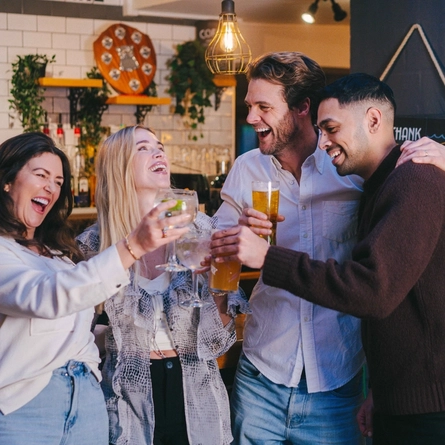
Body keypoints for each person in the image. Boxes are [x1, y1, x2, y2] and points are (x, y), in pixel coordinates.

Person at [211, 73, 445, 445]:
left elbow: (372, 290)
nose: (324, 143)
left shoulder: (414, 177)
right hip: (270, 376)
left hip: (404, 404)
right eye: (321, 130)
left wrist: (268, 257)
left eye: (332, 128)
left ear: (373, 120)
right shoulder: (378, 184)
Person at [214, 51, 367, 444]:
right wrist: (234, 240)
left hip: (335, 383)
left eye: (264, 107)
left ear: (303, 107)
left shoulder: (350, 170)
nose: (251, 118)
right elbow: (212, 259)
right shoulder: (247, 169)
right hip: (260, 377)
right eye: (250, 106)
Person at [0, 132, 189, 445]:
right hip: (28, 403)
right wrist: (133, 246)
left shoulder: (57, 253)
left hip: (87, 399)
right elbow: (51, 296)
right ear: (7, 181)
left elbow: (75, 325)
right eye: (41, 175)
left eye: (58, 181)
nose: (51, 187)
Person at [76, 125, 248, 445]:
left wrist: (220, 282)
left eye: (159, 146)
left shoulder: (202, 231)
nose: (159, 152)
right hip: (127, 403)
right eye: (143, 148)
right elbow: (80, 337)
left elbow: (218, 341)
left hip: (198, 399)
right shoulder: (92, 246)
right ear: (119, 167)